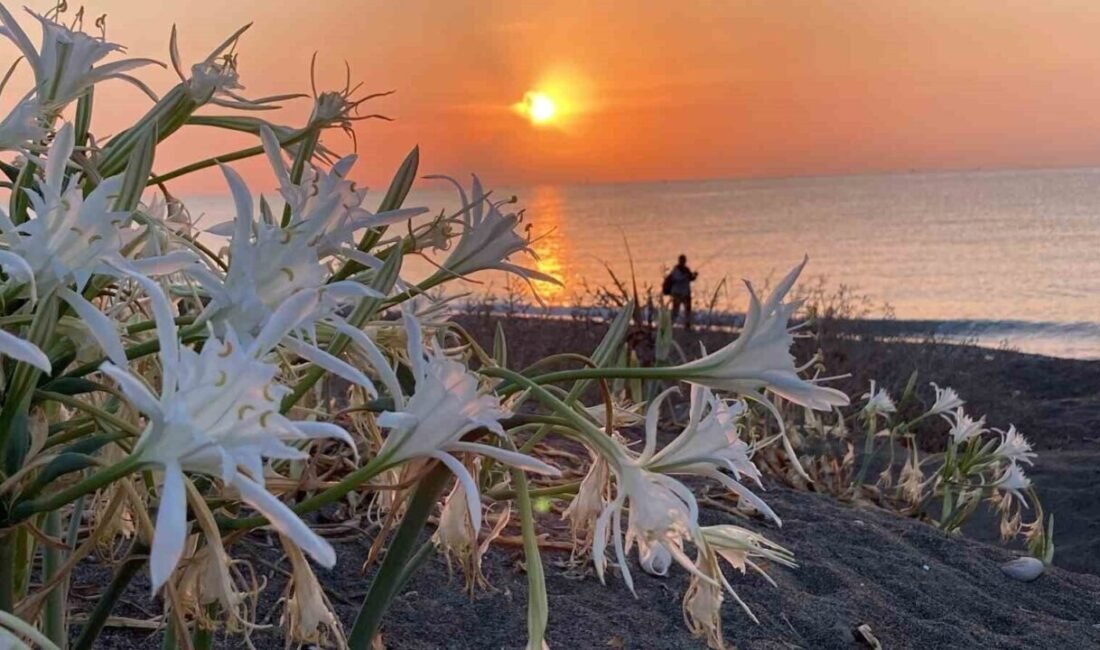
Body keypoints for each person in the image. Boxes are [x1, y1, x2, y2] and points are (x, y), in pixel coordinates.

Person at [663, 254, 698, 331]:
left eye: (683, 260)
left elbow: (691, 278)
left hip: (684, 293)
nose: (683, 262)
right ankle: (670, 325)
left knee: (687, 310)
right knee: (676, 311)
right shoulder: (676, 271)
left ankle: (686, 325)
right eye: (682, 260)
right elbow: (681, 278)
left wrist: (694, 275)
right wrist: (690, 276)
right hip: (679, 294)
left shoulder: (685, 270)